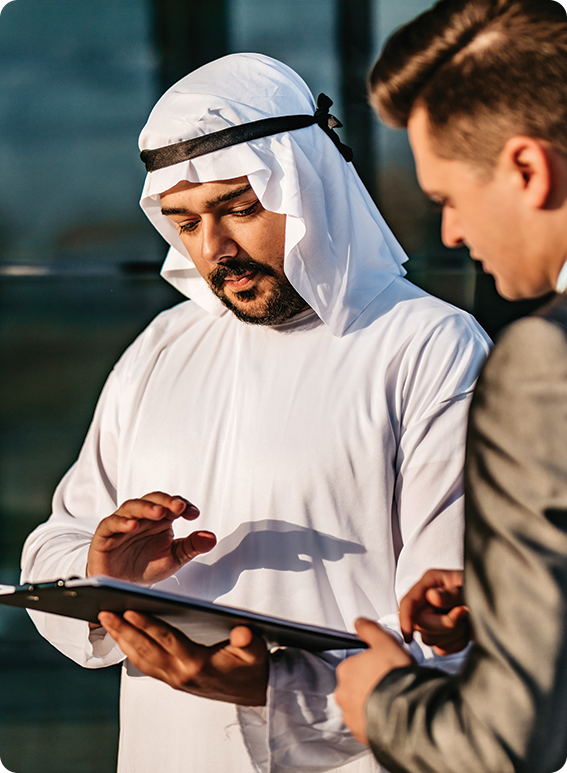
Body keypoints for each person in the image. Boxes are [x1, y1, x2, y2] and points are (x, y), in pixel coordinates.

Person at [21, 53, 489, 773]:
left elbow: (467, 624)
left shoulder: (428, 345)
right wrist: (99, 567)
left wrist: (276, 687)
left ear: (308, 187)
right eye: (183, 221)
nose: (214, 249)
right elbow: (54, 541)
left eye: (239, 208)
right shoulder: (161, 346)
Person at [334, 1, 567, 771]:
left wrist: (386, 703)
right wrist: (508, 592)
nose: (450, 235)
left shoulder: (543, 362)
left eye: (445, 199)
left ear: (527, 170)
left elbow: (505, 744)